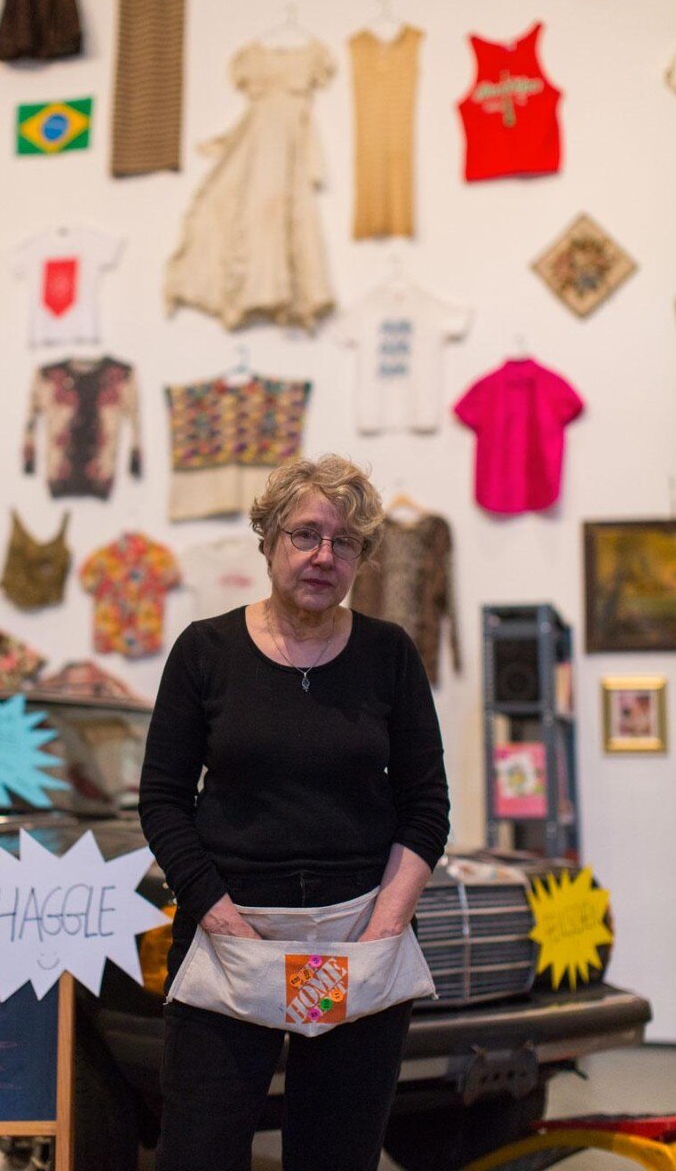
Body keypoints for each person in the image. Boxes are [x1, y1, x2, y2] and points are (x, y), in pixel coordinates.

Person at [139, 454, 450, 1171]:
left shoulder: (389, 655)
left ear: (362, 558)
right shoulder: (204, 651)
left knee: (337, 1155)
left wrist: (379, 933)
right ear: (269, 540)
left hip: (356, 935)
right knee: (198, 1149)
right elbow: (161, 800)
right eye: (305, 534)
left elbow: (425, 806)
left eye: (345, 542)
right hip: (228, 938)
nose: (322, 556)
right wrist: (224, 921)